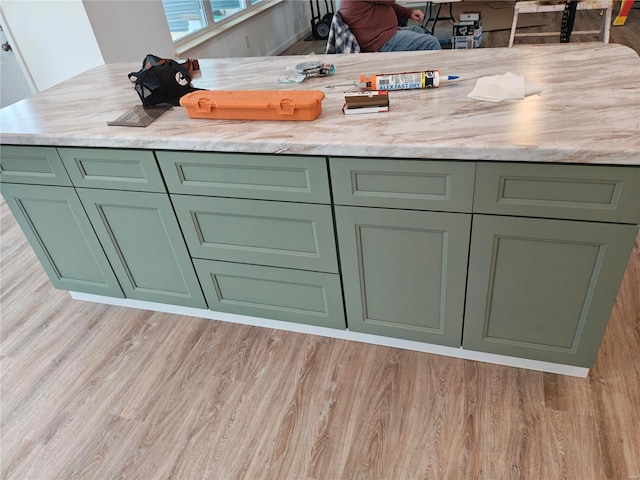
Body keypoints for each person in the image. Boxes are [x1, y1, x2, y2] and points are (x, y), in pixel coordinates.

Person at [338, 0, 441, 52]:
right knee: (431, 43)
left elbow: (386, 4)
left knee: (419, 30)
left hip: (383, 34)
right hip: (378, 41)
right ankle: (437, 83)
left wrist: (409, 13)